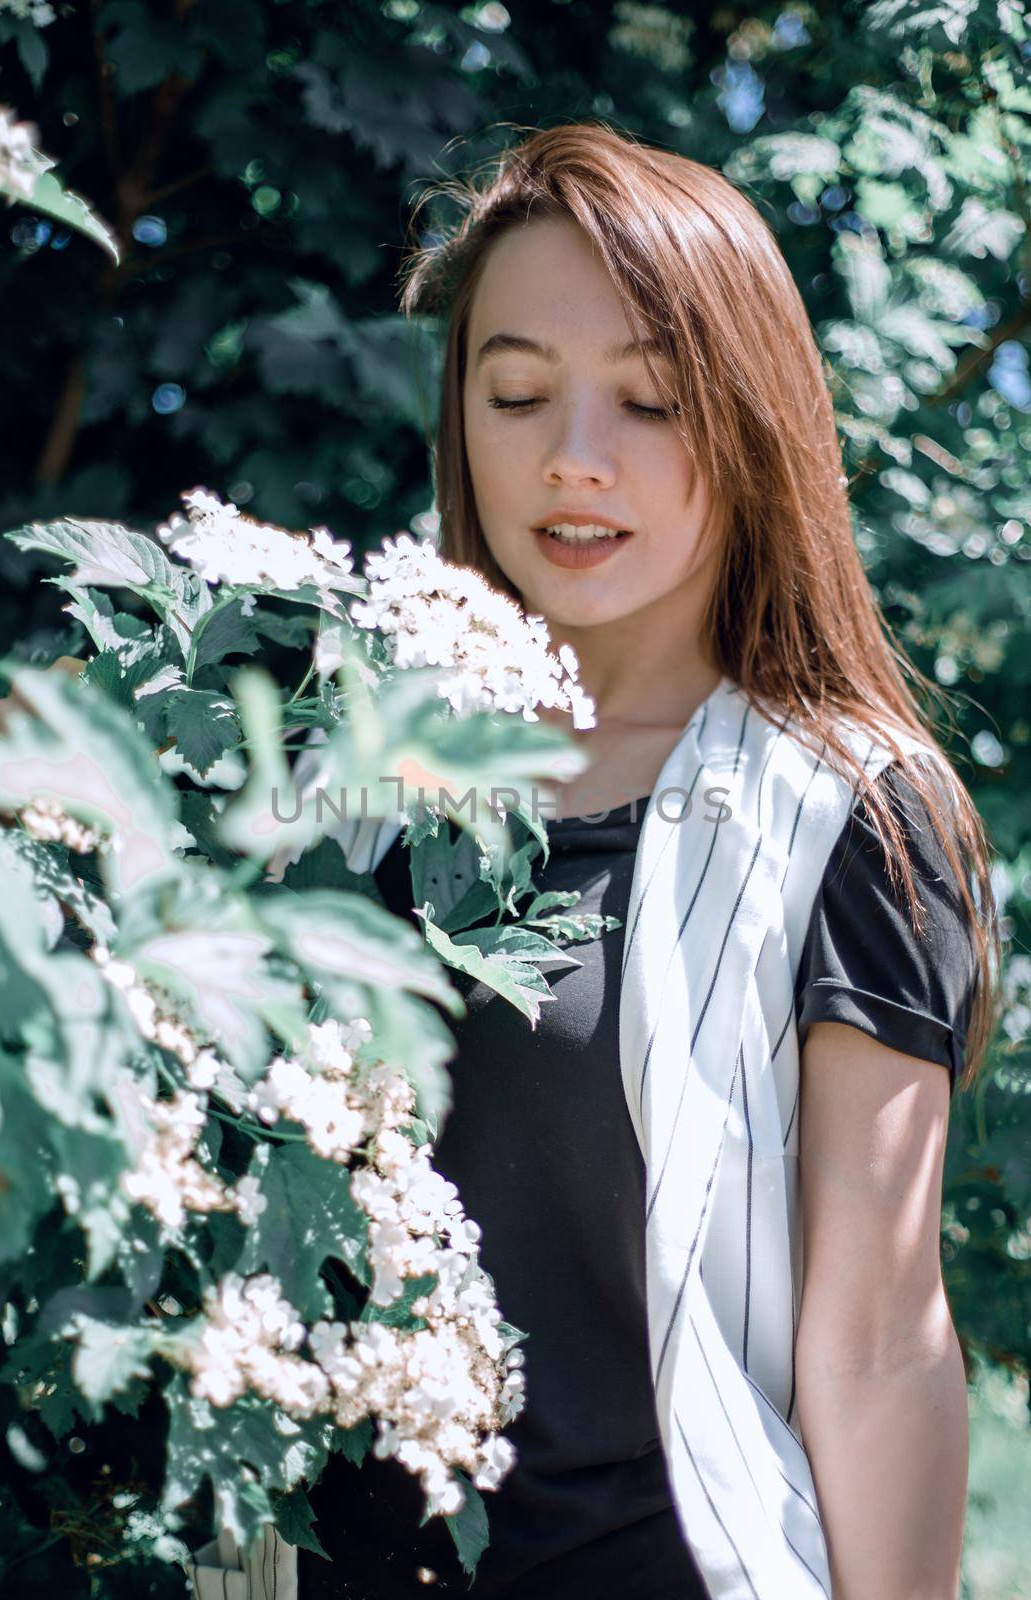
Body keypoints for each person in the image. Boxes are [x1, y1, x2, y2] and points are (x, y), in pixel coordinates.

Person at [294, 123, 1000, 1600]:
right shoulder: (341, 773)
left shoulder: (851, 816)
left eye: (650, 401)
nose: (572, 459)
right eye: (518, 392)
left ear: (749, 418)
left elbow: (877, 1343)